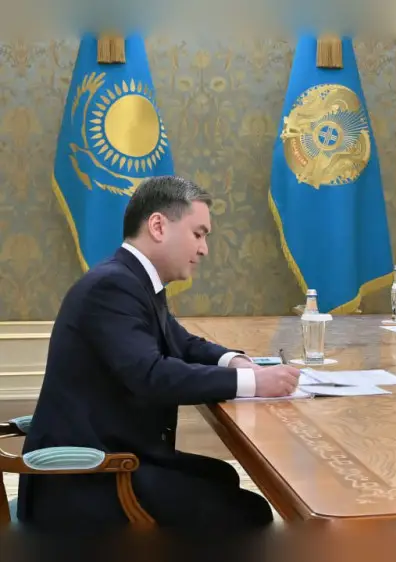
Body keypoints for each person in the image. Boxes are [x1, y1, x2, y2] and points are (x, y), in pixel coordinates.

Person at [17, 176, 301, 529]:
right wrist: (254, 383)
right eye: (198, 234)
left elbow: (182, 343)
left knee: (223, 476)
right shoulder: (113, 286)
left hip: (112, 453)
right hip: (83, 479)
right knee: (250, 513)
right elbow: (151, 375)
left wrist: (237, 361)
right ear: (158, 226)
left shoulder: (132, 279)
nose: (204, 249)